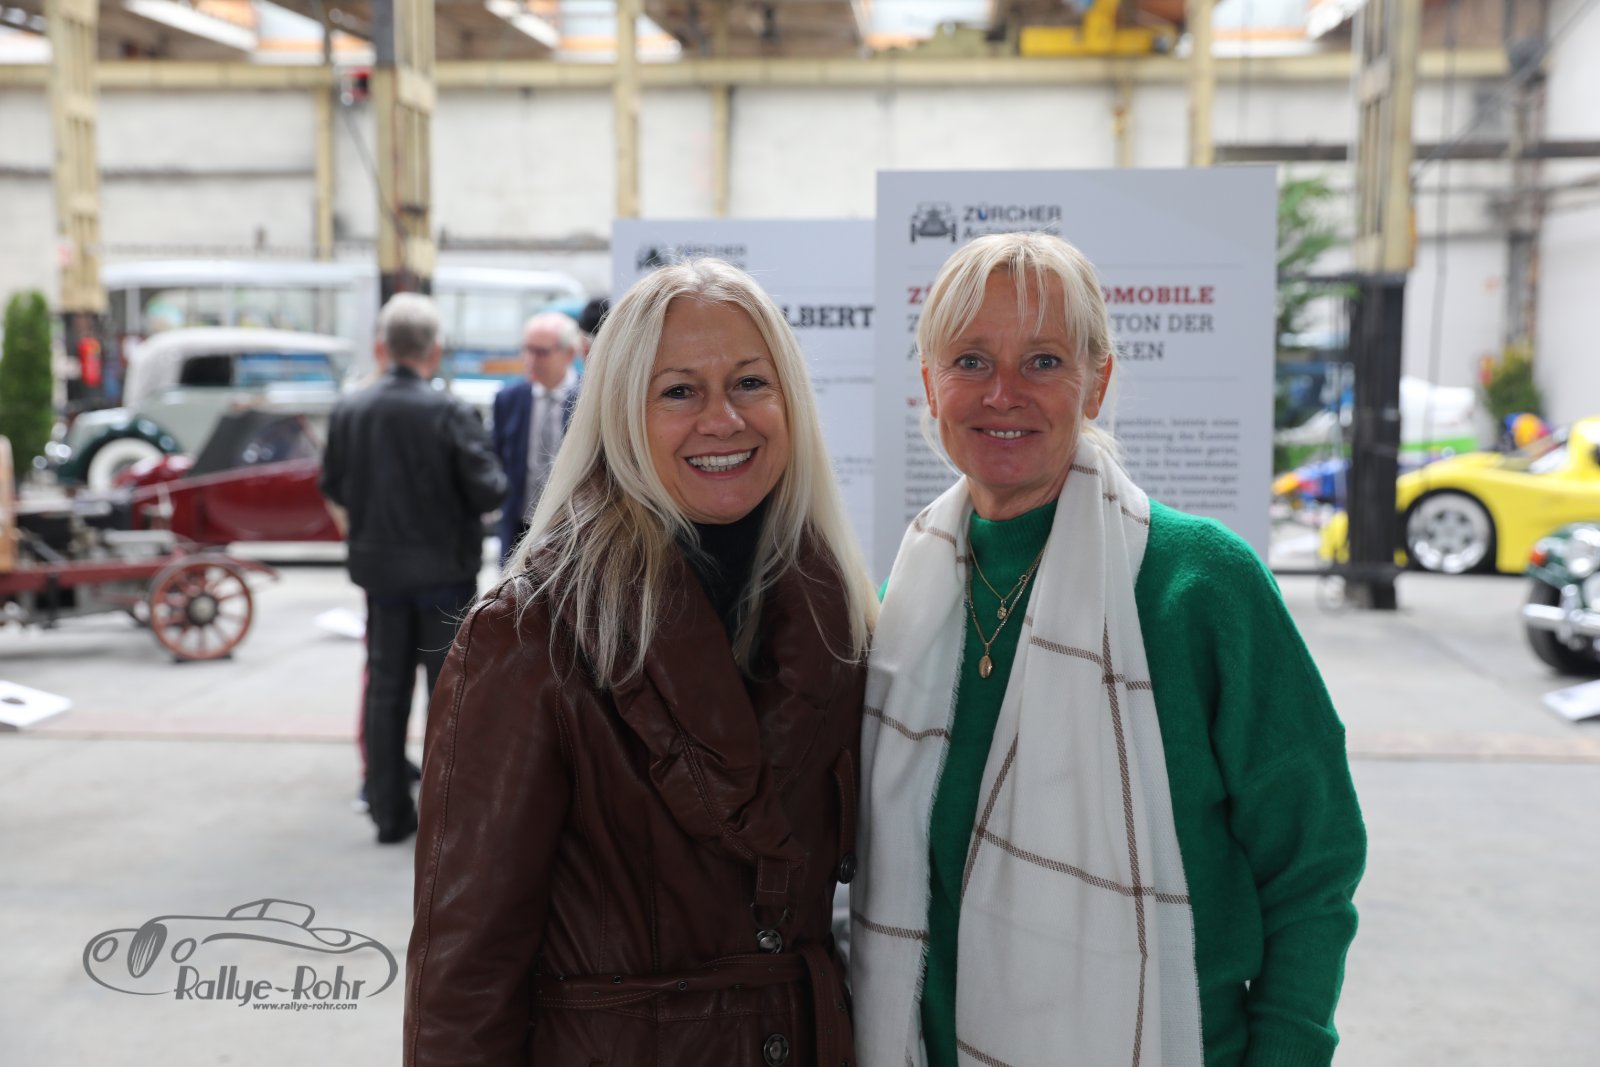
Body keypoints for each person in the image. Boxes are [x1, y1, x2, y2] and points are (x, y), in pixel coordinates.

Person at [851, 233, 1366, 1067]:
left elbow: (1315, 865)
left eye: (1044, 361)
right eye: (971, 361)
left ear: (1097, 382)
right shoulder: (906, 605)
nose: (1004, 393)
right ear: (929, 385)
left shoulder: (1203, 587)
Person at [405, 260, 879, 1065]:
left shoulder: (839, 618)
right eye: (680, 391)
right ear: (621, 412)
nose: (723, 419)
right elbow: (464, 976)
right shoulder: (526, 635)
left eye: (750, 383)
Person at [320, 293, 506, 845]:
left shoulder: (350, 410)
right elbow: (489, 490)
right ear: (434, 350)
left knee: (385, 689)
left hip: (380, 575)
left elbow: (333, 484)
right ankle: (445, 818)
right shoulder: (449, 411)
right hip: (444, 575)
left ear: (383, 347)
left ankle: (388, 814)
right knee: (446, 695)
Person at [491, 311, 581, 563]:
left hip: (572, 528)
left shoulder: (587, 399)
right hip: (519, 526)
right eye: (527, 350)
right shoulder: (509, 398)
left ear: (569, 354)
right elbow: (495, 455)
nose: (530, 360)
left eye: (541, 352)